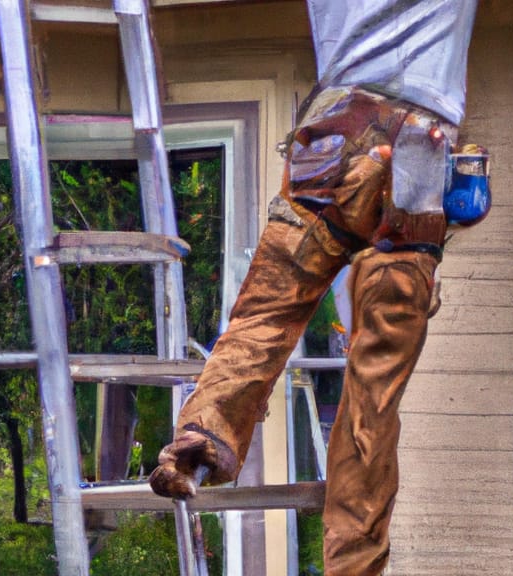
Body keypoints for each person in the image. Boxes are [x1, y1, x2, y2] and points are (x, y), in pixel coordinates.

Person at [148, 1, 481, 574]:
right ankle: (354, 565)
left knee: (266, 312)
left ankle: (198, 441)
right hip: (417, 157)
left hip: (332, 137)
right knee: (373, 391)